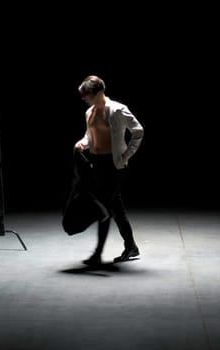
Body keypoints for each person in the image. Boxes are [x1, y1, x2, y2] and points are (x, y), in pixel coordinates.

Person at [74, 75, 144, 265]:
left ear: (99, 92)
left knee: (103, 207)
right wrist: (83, 143)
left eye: (86, 94)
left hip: (114, 165)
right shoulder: (89, 112)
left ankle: (98, 253)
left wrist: (127, 154)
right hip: (95, 163)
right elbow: (90, 136)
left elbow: (138, 131)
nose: (83, 98)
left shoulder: (117, 110)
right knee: (115, 208)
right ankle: (131, 246)